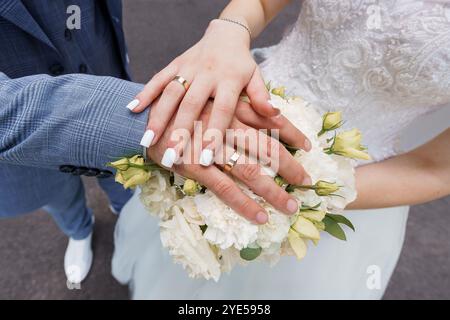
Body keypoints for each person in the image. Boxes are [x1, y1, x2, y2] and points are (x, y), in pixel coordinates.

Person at [113, 0, 450, 299]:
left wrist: (307, 189)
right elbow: (258, 4)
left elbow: (435, 168)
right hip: (246, 107)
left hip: (353, 184)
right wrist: (228, 31)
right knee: (186, 248)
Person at [0, 0, 306, 285]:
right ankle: (80, 230)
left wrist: (231, 27)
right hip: (21, 138)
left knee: (129, 190)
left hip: (96, 53)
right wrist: (141, 124)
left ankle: (124, 213)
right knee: (57, 198)